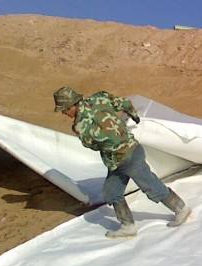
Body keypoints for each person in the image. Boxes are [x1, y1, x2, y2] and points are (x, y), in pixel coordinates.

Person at [54, 86, 191, 239]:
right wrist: (134, 115)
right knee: (111, 192)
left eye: (64, 109)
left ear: (72, 105)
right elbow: (124, 103)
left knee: (150, 185)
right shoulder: (99, 99)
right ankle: (128, 226)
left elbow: (92, 145)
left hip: (127, 158)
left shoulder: (80, 126)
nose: (64, 113)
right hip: (123, 157)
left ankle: (181, 209)